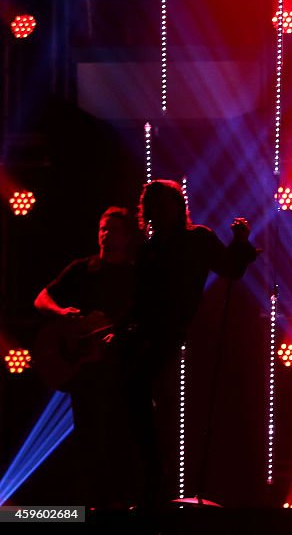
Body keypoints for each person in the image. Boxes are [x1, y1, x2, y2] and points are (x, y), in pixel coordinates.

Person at [130, 179, 260, 506]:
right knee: (147, 416)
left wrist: (242, 243)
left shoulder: (196, 239)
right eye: (151, 209)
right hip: (150, 340)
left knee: (173, 414)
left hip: (184, 339)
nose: (156, 214)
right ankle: (153, 485)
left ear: (177, 207)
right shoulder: (148, 250)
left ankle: (170, 488)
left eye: (162, 206)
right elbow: (140, 301)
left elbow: (230, 269)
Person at [34, 207, 142, 507]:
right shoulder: (83, 269)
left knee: (119, 439)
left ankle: (119, 505)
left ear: (127, 235)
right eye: (102, 228)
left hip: (119, 372)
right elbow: (42, 298)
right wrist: (61, 314)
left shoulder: (134, 275)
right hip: (85, 374)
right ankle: (89, 506)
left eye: (113, 229)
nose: (106, 234)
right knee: (87, 440)